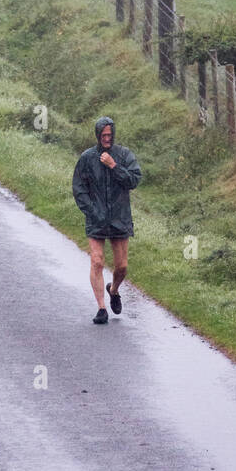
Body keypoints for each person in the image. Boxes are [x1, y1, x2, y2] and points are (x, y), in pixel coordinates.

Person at [71, 116, 142, 324]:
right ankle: (102, 308)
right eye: (103, 135)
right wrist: (91, 212)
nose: (107, 139)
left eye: (110, 135)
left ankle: (114, 289)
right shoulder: (86, 158)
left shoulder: (124, 155)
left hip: (120, 219)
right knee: (97, 260)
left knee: (122, 266)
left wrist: (114, 166)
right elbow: (79, 189)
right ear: (97, 135)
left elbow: (134, 180)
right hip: (97, 220)